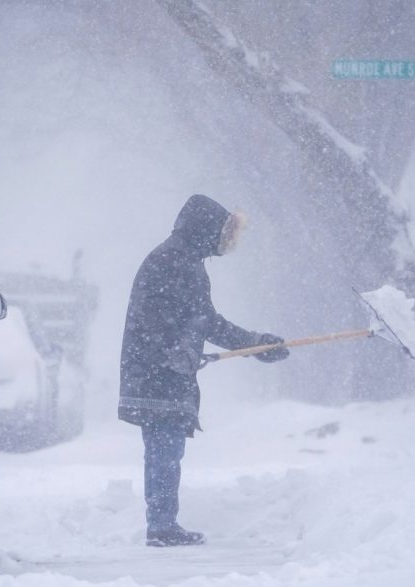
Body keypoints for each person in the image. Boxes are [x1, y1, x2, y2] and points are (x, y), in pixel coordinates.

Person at [118, 194, 289, 547]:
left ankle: (161, 523)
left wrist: (192, 349)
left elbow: (188, 321)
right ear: (205, 229)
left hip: (156, 368)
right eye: (223, 232)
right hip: (160, 372)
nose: (225, 241)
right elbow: (204, 321)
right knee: (165, 449)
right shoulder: (178, 261)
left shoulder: (176, 257)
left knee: (162, 448)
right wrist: (253, 344)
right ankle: (162, 526)